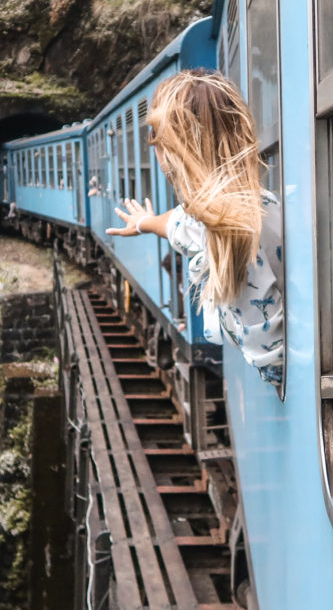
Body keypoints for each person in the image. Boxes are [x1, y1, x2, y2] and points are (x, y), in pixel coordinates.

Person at [106, 69, 284, 385]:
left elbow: (276, 365)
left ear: (175, 151)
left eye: (156, 137)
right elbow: (179, 225)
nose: (153, 146)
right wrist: (145, 223)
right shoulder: (247, 207)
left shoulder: (235, 237)